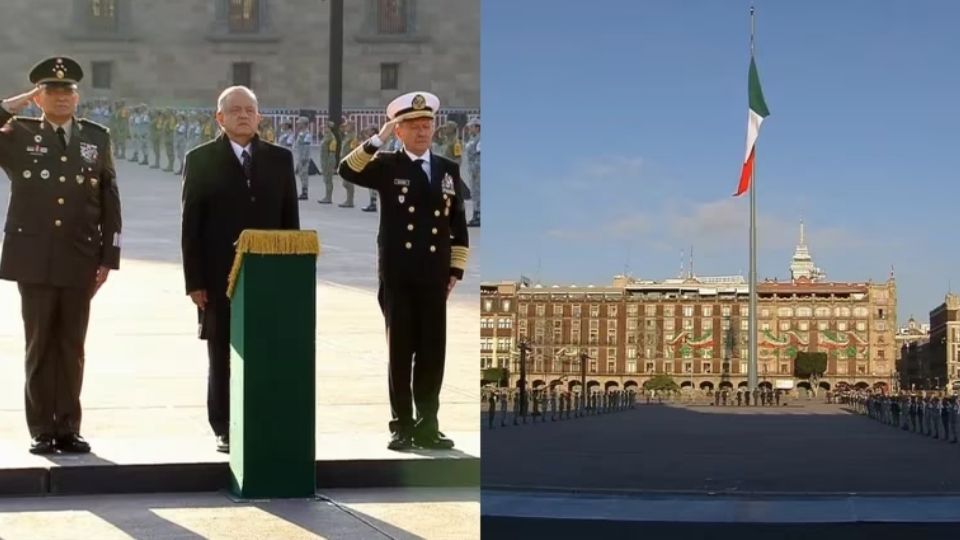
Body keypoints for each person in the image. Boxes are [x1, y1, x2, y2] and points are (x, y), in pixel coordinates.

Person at [0, 57, 122, 454]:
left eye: (67, 91)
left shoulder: (96, 137)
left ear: (77, 96)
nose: (61, 97)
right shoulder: (17, 134)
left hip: (79, 256)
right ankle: (41, 429)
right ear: (40, 98)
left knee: (72, 346)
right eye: (52, 91)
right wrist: (17, 103)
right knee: (39, 345)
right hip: (33, 257)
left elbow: (109, 198)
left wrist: (108, 257)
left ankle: (68, 427)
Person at [338, 91, 469, 451]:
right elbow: (347, 169)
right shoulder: (388, 165)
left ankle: (429, 424)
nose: (423, 132)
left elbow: (457, 223)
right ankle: (402, 425)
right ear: (400, 131)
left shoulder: (447, 169)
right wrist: (376, 139)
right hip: (398, 273)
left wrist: (455, 270)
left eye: (427, 125)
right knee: (401, 352)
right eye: (413, 126)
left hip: (434, 275)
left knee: (432, 351)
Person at [180, 86, 300, 453]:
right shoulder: (200, 159)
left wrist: (290, 277)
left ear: (259, 116)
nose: (243, 116)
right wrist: (195, 282)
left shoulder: (280, 159)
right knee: (221, 353)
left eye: (250, 110)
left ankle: (261, 418)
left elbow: (289, 221)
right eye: (235, 110)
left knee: (266, 351)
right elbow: (191, 226)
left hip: (268, 276)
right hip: (219, 277)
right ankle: (224, 424)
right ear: (220, 118)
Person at [293, 116, 312, 200]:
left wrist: (304, 158)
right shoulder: (301, 133)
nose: (297, 124)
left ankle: (305, 192)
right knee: (301, 174)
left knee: (304, 174)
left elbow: (306, 147)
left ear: (304, 124)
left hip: (304, 157)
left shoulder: (307, 134)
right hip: (300, 157)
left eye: (299, 123)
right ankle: (303, 191)